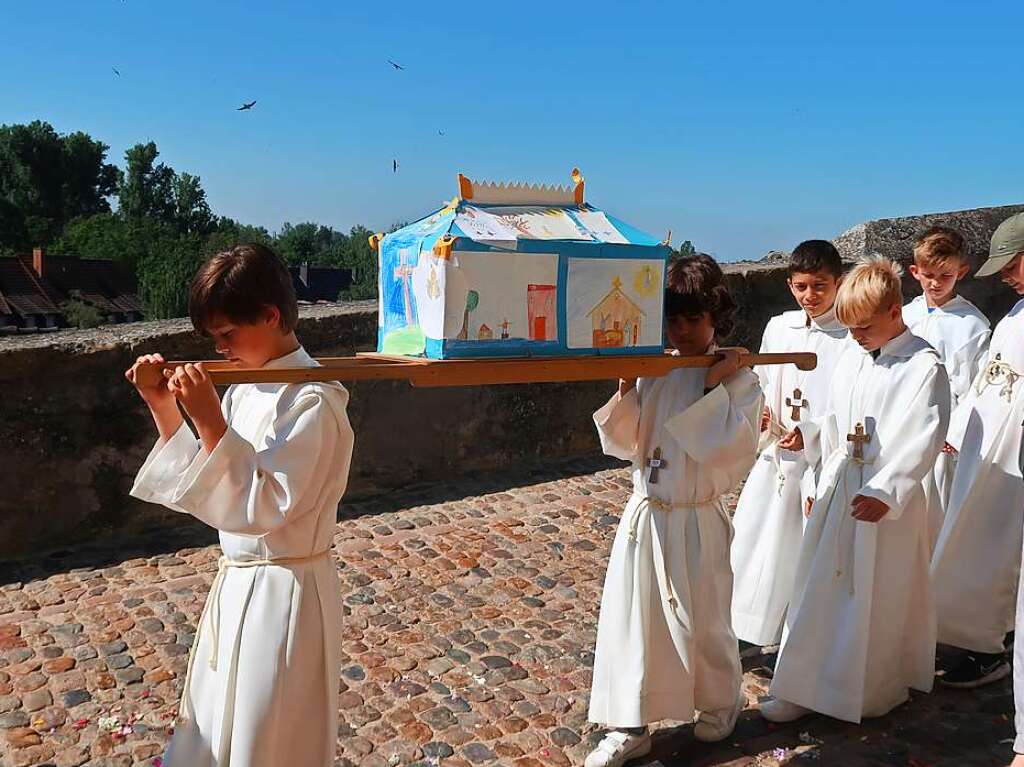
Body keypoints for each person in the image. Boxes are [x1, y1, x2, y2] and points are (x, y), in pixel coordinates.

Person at [125, 244, 354, 767]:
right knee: (216, 719)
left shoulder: (312, 401)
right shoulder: (248, 385)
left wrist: (209, 421)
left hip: (286, 590)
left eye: (228, 335)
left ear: (271, 316)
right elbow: (211, 485)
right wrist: (165, 406)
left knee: (265, 729)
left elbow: (264, 504)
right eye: (215, 339)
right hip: (239, 581)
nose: (221, 349)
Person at [584, 254, 762, 767]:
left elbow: (732, 452)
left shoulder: (738, 380)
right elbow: (627, 443)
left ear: (715, 317)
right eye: (674, 319)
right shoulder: (656, 369)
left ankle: (718, 703)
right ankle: (629, 722)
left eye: (694, 319)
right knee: (631, 620)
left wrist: (711, 388)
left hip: (695, 515)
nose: (683, 330)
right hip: (647, 514)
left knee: (702, 619)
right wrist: (626, 387)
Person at [761, 256, 950, 724]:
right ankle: (804, 683)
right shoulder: (853, 353)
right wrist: (810, 439)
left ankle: (868, 688)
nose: (857, 336)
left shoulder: (923, 366)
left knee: (874, 594)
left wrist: (886, 491)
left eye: (865, 326)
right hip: (838, 485)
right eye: (850, 329)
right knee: (817, 589)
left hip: (883, 503)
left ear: (894, 311)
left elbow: (923, 436)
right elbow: (832, 415)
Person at [731, 240, 851, 651]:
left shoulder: (851, 336)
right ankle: (749, 626)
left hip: (820, 457)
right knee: (759, 537)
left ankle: (796, 633)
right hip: (777, 450)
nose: (809, 296)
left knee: (804, 547)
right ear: (789, 284)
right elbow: (760, 383)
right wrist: (761, 415)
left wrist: (814, 431)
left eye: (820, 286)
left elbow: (850, 401)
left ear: (839, 282)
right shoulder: (779, 328)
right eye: (801, 286)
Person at [932, 212, 1024, 690]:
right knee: (973, 539)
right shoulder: (1015, 313)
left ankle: (993, 645)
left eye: (1012, 264)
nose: (1006, 275)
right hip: (986, 444)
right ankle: (976, 636)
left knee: (1000, 548)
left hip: (1014, 452)